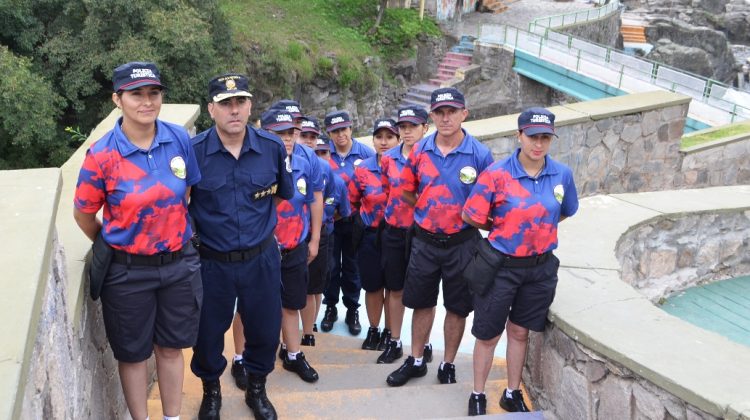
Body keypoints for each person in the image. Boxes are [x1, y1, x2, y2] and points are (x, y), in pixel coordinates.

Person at [73, 61, 202, 420]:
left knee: (171, 348)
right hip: (127, 274)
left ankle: (172, 417)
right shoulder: (102, 155)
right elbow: (84, 214)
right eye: (136, 94)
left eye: (153, 93)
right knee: (132, 354)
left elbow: (186, 189)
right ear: (118, 99)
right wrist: (117, 241)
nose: (146, 101)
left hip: (178, 265)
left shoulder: (177, 138)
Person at [189, 73, 294, 420]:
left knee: (264, 330)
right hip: (212, 262)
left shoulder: (272, 148)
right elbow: (183, 204)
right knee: (207, 333)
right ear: (211, 109)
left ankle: (257, 390)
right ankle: (212, 392)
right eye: (225, 103)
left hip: (260, 259)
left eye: (240, 102)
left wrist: (255, 231)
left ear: (250, 106)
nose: (233, 110)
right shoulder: (194, 152)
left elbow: (280, 196)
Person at [462, 107, 579, 416]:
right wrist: (504, 228)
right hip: (502, 266)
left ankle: (511, 393)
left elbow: (566, 210)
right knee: (488, 335)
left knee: (520, 332)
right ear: (519, 135)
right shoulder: (497, 174)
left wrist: (538, 228)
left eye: (544, 138)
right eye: (532, 137)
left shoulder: (562, 175)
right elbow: (471, 215)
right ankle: (477, 395)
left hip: (539, 268)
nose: (538, 144)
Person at [386, 87, 494, 387]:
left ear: (464, 114)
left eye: (452, 112)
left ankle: (447, 363)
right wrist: (428, 208)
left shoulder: (480, 155)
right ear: (431, 116)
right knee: (421, 302)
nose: (446, 118)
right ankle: (417, 360)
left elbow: (488, 200)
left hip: (463, 244)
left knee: (458, 306)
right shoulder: (420, 151)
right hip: (425, 242)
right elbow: (407, 190)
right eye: (440, 113)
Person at [256, 108, 321, 384]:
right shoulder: (254, 161)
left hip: (295, 245)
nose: (288, 138)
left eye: (291, 132)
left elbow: (315, 198)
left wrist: (315, 239)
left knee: (291, 304)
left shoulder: (307, 159)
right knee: (252, 308)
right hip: (260, 248)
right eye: (279, 133)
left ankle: (293, 354)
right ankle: (243, 359)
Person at [376, 106, 434, 364]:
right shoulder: (388, 158)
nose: (407, 131)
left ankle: (425, 342)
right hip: (395, 230)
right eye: (403, 127)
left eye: (413, 126)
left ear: (425, 128)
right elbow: (390, 190)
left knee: (425, 291)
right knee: (395, 287)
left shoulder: (433, 157)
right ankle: (395, 340)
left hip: (423, 233)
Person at [348, 118, 401, 352]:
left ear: (398, 140)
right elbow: (351, 200)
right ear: (373, 140)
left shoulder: (406, 166)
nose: (384, 142)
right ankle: (374, 329)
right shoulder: (363, 168)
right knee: (372, 286)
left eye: (389, 137)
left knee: (394, 286)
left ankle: (391, 332)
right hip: (369, 235)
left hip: (396, 234)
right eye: (379, 137)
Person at [320, 110, 375, 335]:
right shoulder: (323, 153)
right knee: (330, 267)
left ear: (351, 128)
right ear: (329, 133)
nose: (340, 134)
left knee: (353, 267)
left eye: (343, 129)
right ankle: (330, 307)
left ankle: (352, 309)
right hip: (330, 220)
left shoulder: (366, 154)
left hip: (354, 221)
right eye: (334, 131)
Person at [298, 116, 335, 342]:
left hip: (316, 234)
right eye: (304, 135)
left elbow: (327, 198)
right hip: (289, 236)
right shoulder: (280, 160)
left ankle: (308, 331)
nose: (309, 141)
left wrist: (316, 233)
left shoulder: (322, 166)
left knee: (314, 286)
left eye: (313, 137)